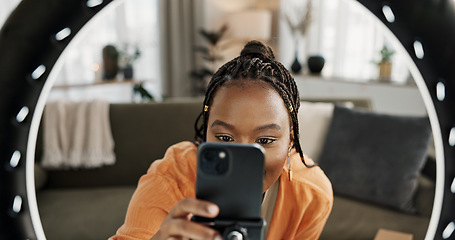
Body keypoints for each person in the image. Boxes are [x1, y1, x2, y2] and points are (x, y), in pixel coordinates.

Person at [110, 40, 333, 240]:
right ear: (205, 132)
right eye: (225, 137)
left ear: (290, 142)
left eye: (265, 140)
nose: (243, 159)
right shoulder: (170, 178)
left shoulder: (313, 195)